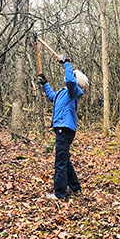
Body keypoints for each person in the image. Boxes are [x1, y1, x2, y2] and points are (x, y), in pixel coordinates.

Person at [37, 55, 89, 200]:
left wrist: (66, 64)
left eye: (72, 75)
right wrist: (45, 83)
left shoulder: (74, 91)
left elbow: (71, 80)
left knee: (60, 161)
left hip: (65, 128)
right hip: (62, 128)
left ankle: (60, 193)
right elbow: (52, 97)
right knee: (64, 159)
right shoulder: (63, 92)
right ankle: (75, 187)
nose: (69, 77)